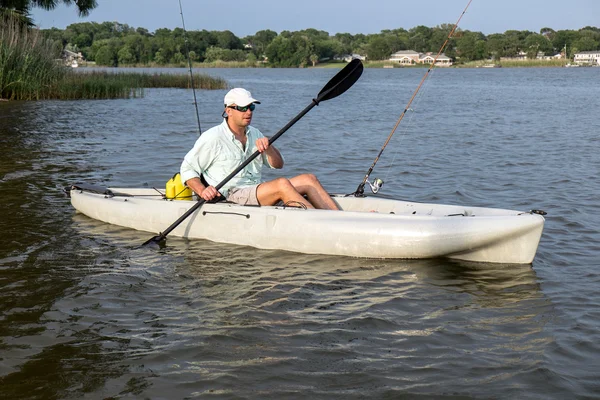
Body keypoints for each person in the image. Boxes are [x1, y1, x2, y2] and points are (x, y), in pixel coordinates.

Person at [180, 88, 339, 210]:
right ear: (228, 111)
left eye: (251, 107)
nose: (248, 112)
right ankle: (320, 223)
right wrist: (202, 190)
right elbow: (188, 169)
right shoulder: (213, 137)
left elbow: (278, 165)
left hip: (255, 190)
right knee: (282, 184)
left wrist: (269, 149)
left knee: (308, 179)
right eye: (242, 108)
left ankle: (338, 219)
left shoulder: (255, 133)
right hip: (232, 195)